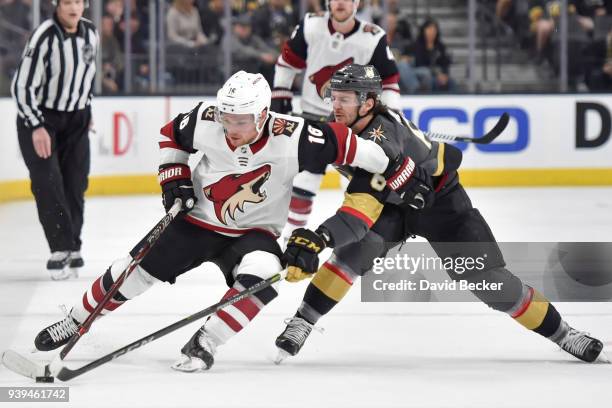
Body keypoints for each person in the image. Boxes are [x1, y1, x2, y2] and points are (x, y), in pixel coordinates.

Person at [32, 71, 419, 372]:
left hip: (254, 234)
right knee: (129, 272)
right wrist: (174, 180)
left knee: (267, 274)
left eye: (241, 121)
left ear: (264, 115)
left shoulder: (298, 134)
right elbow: (171, 139)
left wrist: (399, 163)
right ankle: (76, 321)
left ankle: (206, 341)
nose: (230, 128)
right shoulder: (205, 118)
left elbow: (363, 150)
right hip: (197, 222)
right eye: (226, 117)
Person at [274, 64, 605, 364]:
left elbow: (360, 211)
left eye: (345, 99)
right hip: (393, 204)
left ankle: (564, 334)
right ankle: (303, 320)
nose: (336, 106)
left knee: (489, 281)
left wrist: (322, 237)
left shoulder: (381, 143)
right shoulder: (352, 129)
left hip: (440, 202)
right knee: (352, 255)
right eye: (334, 98)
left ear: (369, 103)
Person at [271, 0, 401, 244]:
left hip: (352, 123)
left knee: (358, 185)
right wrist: (280, 94)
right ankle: (287, 239)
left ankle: (361, 240)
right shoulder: (310, 25)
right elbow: (287, 64)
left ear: (357, 3)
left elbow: (390, 81)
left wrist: (391, 114)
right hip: (312, 118)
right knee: (303, 181)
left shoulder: (372, 37)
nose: (340, 3)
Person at [11, 0, 97, 280]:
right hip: (41, 119)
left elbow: (86, 76)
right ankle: (60, 248)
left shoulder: (91, 33)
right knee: (48, 182)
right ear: (57, 5)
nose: (74, 7)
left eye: (78, 2)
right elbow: (21, 86)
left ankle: (73, 246)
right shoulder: (44, 36)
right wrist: (36, 126)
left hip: (77, 118)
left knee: (76, 183)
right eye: (67, 2)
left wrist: (87, 108)